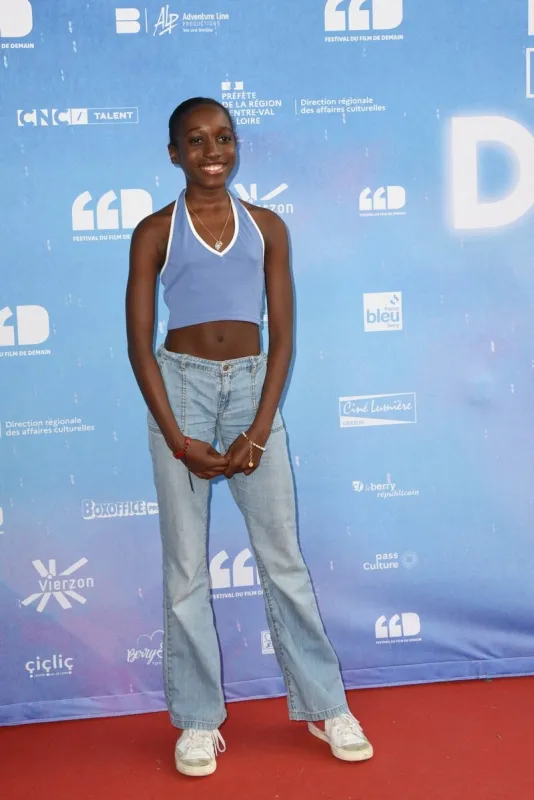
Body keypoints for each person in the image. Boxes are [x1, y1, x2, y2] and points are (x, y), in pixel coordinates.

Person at [126, 97, 373, 777]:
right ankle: (198, 721)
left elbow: (284, 336)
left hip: (254, 393)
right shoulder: (153, 231)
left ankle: (326, 705)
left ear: (237, 147)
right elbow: (139, 346)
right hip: (180, 392)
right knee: (185, 570)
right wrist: (179, 441)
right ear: (173, 153)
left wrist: (258, 431)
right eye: (197, 140)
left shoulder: (267, 226)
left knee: (284, 560)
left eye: (225, 137)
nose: (214, 150)